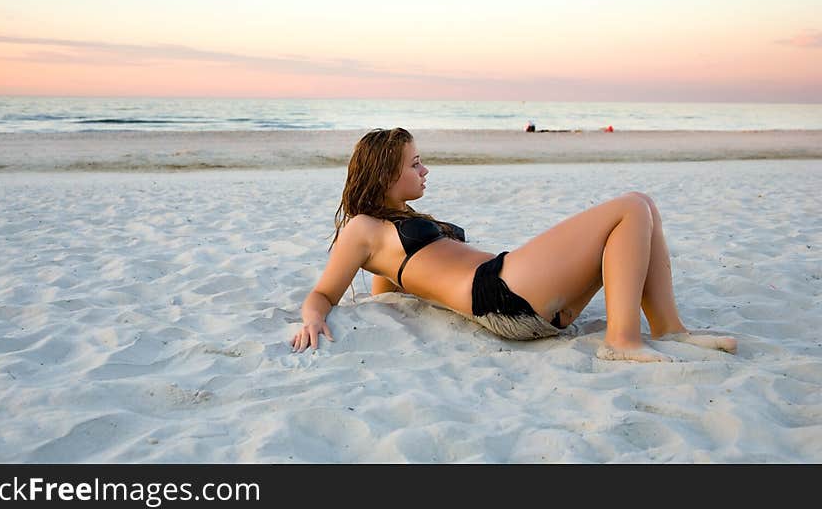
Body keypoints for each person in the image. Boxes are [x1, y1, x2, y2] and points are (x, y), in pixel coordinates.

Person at [291, 127, 737, 362]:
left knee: (644, 206)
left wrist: (398, 291)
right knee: (630, 207)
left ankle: (668, 329)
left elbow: (394, 286)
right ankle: (622, 340)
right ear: (386, 174)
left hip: (523, 298)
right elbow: (324, 293)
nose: (425, 171)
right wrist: (312, 320)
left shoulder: (393, 229)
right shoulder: (363, 229)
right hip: (499, 292)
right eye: (416, 163)